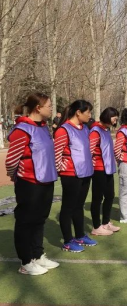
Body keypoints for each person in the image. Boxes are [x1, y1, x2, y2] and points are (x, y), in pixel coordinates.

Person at [6, 93, 59, 275]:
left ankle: (37, 255)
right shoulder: (22, 129)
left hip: (46, 180)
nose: (52, 109)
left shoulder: (44, 127)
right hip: (29, 183)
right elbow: (12, 160)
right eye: (49, 106)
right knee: (26, 221)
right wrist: (16, 177)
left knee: (39, 220)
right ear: (38, 107)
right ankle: (26, 261)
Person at [55, 100, 96, 252]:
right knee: (68, 207)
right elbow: (56, 153)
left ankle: (80, 235)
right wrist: (61, 168)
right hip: (71, 174)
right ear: (78, 112)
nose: (90, 116)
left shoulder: (85, 128)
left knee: (79, 206)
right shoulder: (63, 130)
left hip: (85, 172)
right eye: (88, 112)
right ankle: (67, 240)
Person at [89, 107, 120, 236]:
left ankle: (106, 222)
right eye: (114, 117)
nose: (116, 120)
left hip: (109, 168)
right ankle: (96, 226)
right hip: (98, 169)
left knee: (110, 195)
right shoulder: (95, 131)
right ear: (107, 116)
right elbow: (89, 150)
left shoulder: (106, 130)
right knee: (97, 198)